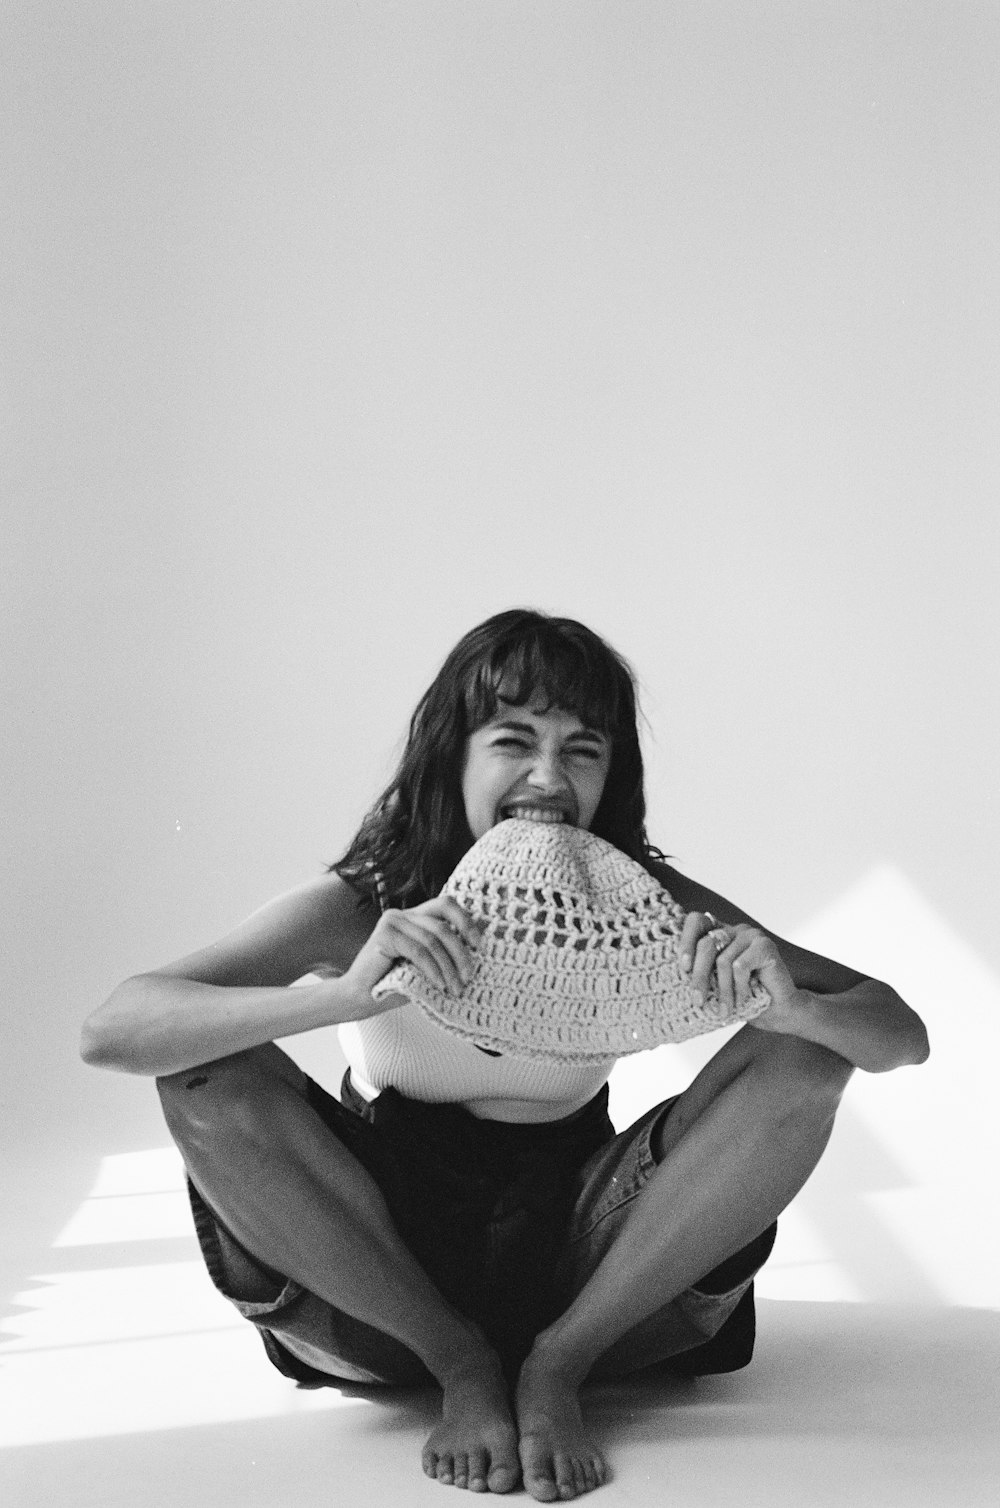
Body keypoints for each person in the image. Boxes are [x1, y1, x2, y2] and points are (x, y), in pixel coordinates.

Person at [81, 609, 929, 1502]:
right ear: (454, 756)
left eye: (583, 750)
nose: (548, 778)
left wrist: (792, 1010)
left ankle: (557, 1365)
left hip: (589, 1254)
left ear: (613, 776)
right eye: (514, 740)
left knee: (805, 1057)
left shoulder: (647, 898)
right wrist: (344, 993)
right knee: (204, 1069)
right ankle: (461, 1365)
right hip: (377, 1264)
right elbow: (114, 1030)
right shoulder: (372, 902)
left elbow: (899, 1035)